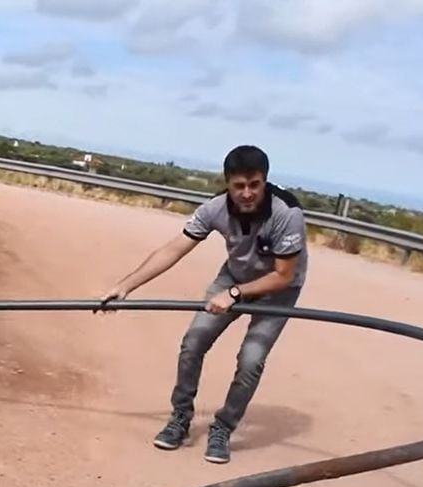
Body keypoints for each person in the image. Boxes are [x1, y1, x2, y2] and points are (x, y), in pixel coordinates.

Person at [99, 145, 307, 464]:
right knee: (194, 341)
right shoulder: (215, 208)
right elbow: (174, 249)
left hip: (277, 289)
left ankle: (223, 427)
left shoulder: (287, 213)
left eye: (255, 184)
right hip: (234, 276)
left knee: (251, 359)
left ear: (265, 181)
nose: (247, 193)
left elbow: (283, 276)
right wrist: (125, 285)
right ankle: (180, 419)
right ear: (227, 183)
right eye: (239, 186)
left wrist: (235, 294)